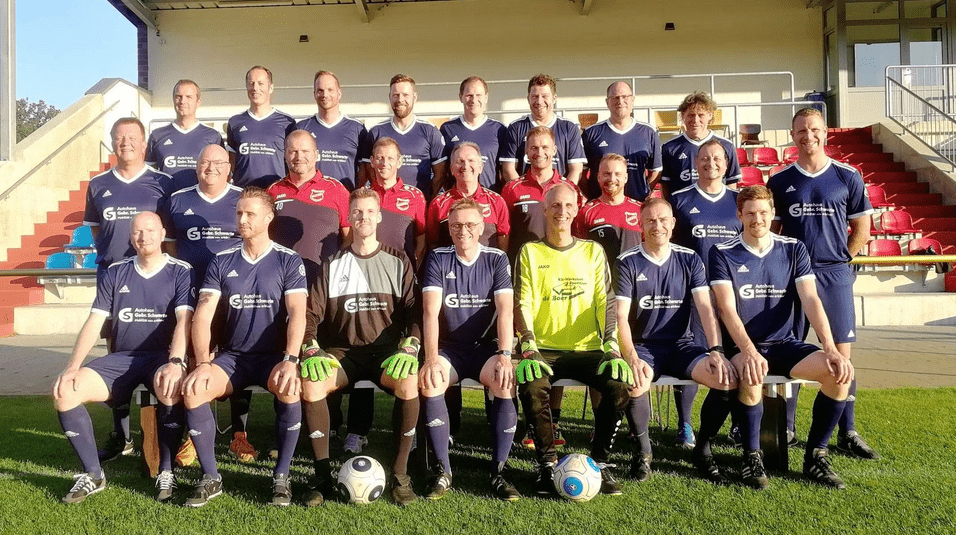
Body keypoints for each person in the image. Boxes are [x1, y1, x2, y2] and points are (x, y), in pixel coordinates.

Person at [709, 185, 854, 490]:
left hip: (785, 343)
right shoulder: (722, 252)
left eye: (763, 212)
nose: (757, 219)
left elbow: (811, 299)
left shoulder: (793, 248)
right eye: (750, 213)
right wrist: (748, 351)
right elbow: (726, 309)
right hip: (743, 346)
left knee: (838, 374)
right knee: (752, 374)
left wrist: (830, 348)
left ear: (773, 213)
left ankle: (816, 457)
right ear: (739, 215)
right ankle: (752, 457)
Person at [53, 212, 194, 503]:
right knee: (65, 392)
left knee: (169, 387)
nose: (144, 237)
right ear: (130, 237)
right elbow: (95, 321)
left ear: (162, 233)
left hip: (161, 357)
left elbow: (184, 321)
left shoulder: (181, 270)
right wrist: (72, 367)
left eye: (151, 230)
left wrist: (176, 362)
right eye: (137, 232)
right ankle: (93, 474)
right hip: (123, 358)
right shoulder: (116, 271)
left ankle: (167, 471)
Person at [182, 187, 307, 507]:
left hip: (272, 358)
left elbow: (298, 313)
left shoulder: (288, 259)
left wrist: (290, 359)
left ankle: (281, 476)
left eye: (250, 214)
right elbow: (203, 314)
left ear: (268, 217)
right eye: (239, 213)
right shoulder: (222, 260)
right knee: (194, 390)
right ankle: (211, 477)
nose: (242, 219)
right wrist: (202, 363)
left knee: (290, 387)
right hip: (232, 357)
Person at [767, 107, 878, 459]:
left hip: (834, 275)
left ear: (825, 132)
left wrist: (841, 259)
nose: (808, 136)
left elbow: (862, 227)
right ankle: (787, 427)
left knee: (842, 355)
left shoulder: (847, 175)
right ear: (792, 135)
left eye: (814, 129)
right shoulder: (780, 180)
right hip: (793, 277)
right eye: (801, 130)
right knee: (792, 349)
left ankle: (847, 431)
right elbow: (772, 232)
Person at [298, 188, 421, 506]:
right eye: (357, 212)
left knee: (409, 381)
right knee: (311, 382)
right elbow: (310, 314)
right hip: (343, 353)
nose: (363, 217)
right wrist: (310, 346)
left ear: (379, 217)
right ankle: (322, 476)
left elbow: (414, 311)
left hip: (385, 352)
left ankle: (400, 474)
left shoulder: (398, 260)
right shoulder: (332, 264)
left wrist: (411, 345)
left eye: (369, 211)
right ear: (349, 217)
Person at [514, 182, 631, 496]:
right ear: (544, 209)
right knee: (532, 386)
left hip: (588, 349)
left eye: (568, 205)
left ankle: (601, 463)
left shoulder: (592, 251)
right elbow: (522, 302)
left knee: (619, 385)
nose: (561, 211)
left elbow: (605, 301)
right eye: (555, 205)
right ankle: (546, 465)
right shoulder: (530, 251)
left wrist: (611, 346)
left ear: (577, 209)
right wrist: (528, 345)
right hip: (544, 350)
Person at [615, 197, 737, 484]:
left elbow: (706, 307)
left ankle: (703, 449)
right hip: (645, 345)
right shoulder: (627, 261)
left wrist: (716, 350)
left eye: (662, 220)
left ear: (672, 223)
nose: (657, 226)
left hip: (683, 345)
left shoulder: (689, 258)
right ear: (641, 225)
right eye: (650, 221)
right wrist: (631, 356)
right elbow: (620, 316)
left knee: (725, 379)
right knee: (636, 381)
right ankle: (644, 452)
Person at [84, 117, 173, 462]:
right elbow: (98, 233)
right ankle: (121, 435)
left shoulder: (162, 182)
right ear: (112, 142)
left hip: (152, 282)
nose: (126, 143)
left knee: (157, 353)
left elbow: (169, 236)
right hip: (114, 283)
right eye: (119, 137)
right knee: (116, 356)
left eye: (132, 137)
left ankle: (159, 436)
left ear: (144, 143)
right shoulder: (98, 184)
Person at [419, 198, 519, 501]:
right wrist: (431, 358)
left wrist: (505, 355)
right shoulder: (438, 257)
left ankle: (499, 471)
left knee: (505, 381)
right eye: (456, 225)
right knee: (432, 381)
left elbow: (505, 311)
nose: (463, 230)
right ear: (449, 228)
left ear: (482, 227)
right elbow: (430, 312)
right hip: (448, 349)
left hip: (484, 349)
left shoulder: (496, 258)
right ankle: (443, 471)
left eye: (470, 225)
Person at [163, 145, 247, 465]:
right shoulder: (177, 200)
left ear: (229, 167)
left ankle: (240, 434)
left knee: (238, 359)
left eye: (218, 163)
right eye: (204, 162)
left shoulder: (243, 198)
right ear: (196, 166)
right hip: (192, 297)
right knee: (196, 362)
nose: (210, 168)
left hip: (234, 298)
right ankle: (193, 433)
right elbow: (171, 249)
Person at [501, 126, 583, 446]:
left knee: (554, 347)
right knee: (526, 350)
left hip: (558, 279)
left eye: (545, 147)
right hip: (524, 278)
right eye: (533, 147)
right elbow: (505, 235)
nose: (539, 152)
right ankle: (528, 421)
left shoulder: (568, 188)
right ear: (526, 152)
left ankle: (554, 421)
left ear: (555, 151)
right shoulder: (512, 189)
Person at [669, 139, 742, 448]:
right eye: (704, 158)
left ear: (727, 164)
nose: (711, 163)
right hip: (694, 296)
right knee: (695, 356)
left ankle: (737, 423)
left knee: (734, 356)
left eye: (717, 158)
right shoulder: (680, 199)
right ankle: (685, 425)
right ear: (695, 163)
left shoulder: (739, 200)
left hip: (733, 295)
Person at [268, 129, 351, 283]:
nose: (299, 157)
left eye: (305, 151)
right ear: (285, 155)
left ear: (316, 154)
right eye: (293, 151)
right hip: (282, 278)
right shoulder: (273, 191)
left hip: (324, 280)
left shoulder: (336, 189)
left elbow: (350, 237)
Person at [364, 74, 446, 198]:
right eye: (396, 95)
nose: (400, 99)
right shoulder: (376, 132)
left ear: (415, 97)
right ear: (390, 97)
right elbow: (369, 171)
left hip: (419, 205)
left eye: (405, 95)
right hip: (383, 204)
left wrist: (426, 200)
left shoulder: (430, 132)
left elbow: (440, 174)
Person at [500, 74, 586, 185]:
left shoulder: (569, 128)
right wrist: (523, 192)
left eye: (545, 96)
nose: (539, 102)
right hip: (525, 194)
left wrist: (562, 192)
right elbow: (508, 169)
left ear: (554, 98)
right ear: (528, 98)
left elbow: (576, 170)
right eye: (534, 96)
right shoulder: (515, 128)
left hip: (559, 193)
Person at [582, 81, 662, 200]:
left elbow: (655, 172)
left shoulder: (648, 132)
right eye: (615, 97)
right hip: (602, 205)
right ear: (607, 102)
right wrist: (592, 197)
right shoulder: (591, 133)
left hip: (637, 205)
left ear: (632, 100)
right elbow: (582, 174)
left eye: (625, 97)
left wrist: (642, 193)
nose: (620, 101)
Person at [295, 70, 370, 190]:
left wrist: (353, 193)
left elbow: (365, 169)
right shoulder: (302, 128)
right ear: (314, 94)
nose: (325, 95)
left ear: (339, 93)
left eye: (330, 90)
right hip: (310, 196)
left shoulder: (357, 129)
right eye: (320, 90)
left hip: (345, 198)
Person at [427, 141, 509, 250]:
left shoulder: (496, 201)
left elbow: (503, 242)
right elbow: (432, 244)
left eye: (471, 161)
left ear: (481, 167)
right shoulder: (438, 203)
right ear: (451, 169)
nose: (465, 166)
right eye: (460, 161)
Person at [660, 92, 741, 199]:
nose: (695, 120)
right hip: (682, 208)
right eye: (691, 115)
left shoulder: (726, 146)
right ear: (682, 116)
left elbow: (731, 182)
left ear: (710, 115)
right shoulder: (669, 148)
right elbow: (665, 186)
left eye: (701, 115)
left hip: (715, 206)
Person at [226, 66, 296, 188]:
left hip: (276, 191)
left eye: (260, 83)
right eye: (251, 83)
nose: (255, 88)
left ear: (271, 87)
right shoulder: (235, 122)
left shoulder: (287, 122)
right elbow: (232, 160)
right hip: (243, 192)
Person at [146, 79, 223, 192]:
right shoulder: (157, 136)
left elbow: (222, 175)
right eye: (178, 96)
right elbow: (149, 176)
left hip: (199, 200)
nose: (183, 101)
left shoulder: (213, 136)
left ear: (198, 101)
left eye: (188, 97)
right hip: (166, 200)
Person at [365, 137, 428, 268]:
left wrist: (411, 269)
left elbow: (421, 241)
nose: (384, 163)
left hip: (401, 270)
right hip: (369, 268)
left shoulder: (415, 196)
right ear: (372, 161)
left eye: (390, 158)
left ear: (399, 162)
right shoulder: (363, 195)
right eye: (380, 158)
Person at [439, 76, 506, 190]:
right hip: (457, 197)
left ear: (486, 98)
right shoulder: (448, 129)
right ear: (461, 97)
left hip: (489, 196)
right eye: (469, 95)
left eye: (479, 95)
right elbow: (442, 170)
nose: (474, 100)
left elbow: (504, 170)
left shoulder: (499, 129)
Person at [575, 153, 644, 261]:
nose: (612, 179)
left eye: (617, 174)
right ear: (598, 177)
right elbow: (580, 252)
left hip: (634, 271)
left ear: (626, 178)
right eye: (607, 174)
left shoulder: (641, 210)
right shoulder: (586, 212)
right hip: (601, 271)